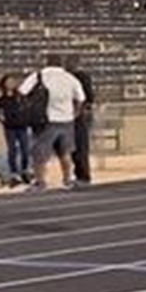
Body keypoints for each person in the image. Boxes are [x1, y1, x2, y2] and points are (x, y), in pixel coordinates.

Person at [19, 55, 84, 190]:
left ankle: (41, 181)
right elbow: (80, 98)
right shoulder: (70, 78)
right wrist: (75, 113)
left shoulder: (39, 76)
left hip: (46, 120)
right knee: (65, 153)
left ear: (46, 62)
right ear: (61, 63)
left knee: (40, 154)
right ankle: (67, 179)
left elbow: (22, 91)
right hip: (66, 119)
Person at [0, 72, 34, 186]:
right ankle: (14, 173)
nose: (10, 84)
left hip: (22, 126)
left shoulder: (21, 97)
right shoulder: (1, 100)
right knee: (12, 150)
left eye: (12, 81)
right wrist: (2, 120)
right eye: (8, 82)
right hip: (9, 127)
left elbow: (27, 107)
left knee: (25, 149)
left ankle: (25, 170)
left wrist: (27, 118)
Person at [64, 56, 96, 184]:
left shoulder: (82, 77)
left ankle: (84, 175)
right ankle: (78, 174)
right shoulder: (65, 78)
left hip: (80, 116)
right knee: (73, 148)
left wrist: (81, 110)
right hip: (68, 115)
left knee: (80, 146)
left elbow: (88, 98)